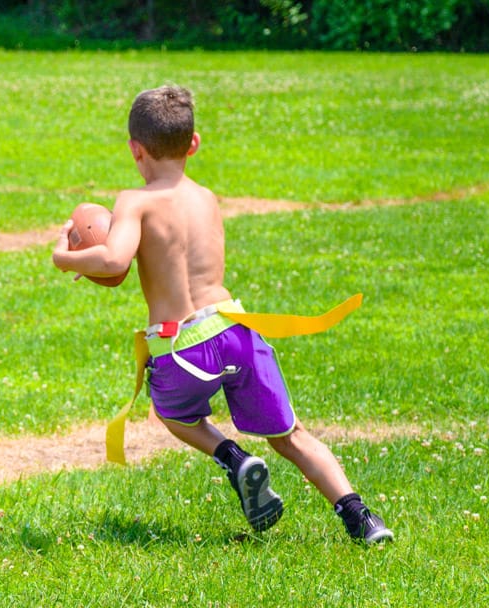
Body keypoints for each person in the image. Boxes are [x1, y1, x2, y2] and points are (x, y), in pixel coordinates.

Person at [52, 85, 392, 544]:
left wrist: (66, 258)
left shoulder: (135, 200)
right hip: (235, 328)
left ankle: (233, 458)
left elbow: (114, 262)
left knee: (172, 413)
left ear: (135, 149)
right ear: (193, 144)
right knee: (291, 436)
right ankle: (363, 519)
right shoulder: (207, 197)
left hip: (181, 345)